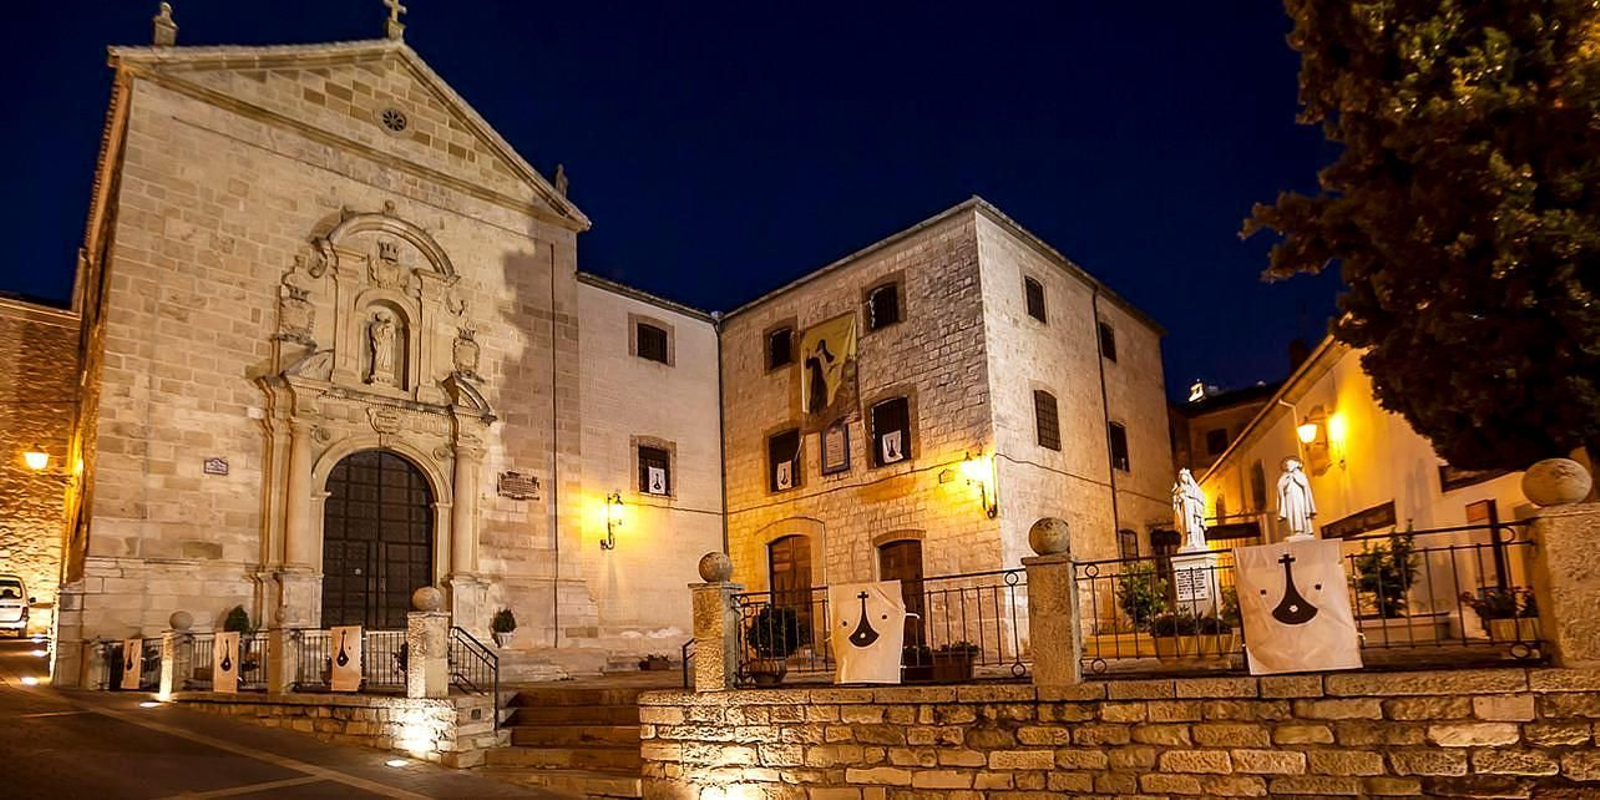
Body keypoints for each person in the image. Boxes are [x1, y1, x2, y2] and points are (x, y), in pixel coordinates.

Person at [1278, 456, 1318, 540]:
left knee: (1299, 512)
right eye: (1287, 465)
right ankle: (1293, 530)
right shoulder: (1284, 476)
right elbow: (1280, 486)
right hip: (1288, 497)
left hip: (1298, 497)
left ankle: (1301, 530)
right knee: (1291, 514)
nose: (1288, 466)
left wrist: (1295, 477)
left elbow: (1304, 484)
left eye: (1289, 464)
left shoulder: (1300, 475)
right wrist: (1286, 481)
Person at [1171, 468, 1208, 552]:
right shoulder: (1179, 489)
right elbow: (1176, 503)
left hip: (1193, 512)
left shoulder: (1194, 489)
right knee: (1185, 525)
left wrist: (1189, 496)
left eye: (1184, 476)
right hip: (1184, 510)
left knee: (1193, 526)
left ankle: (1194, 541)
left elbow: (1200, 498)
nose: (1183, 478)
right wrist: (1177, 499)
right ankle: (1186, 541)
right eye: (1181, 476)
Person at [805, 339, 835, 415]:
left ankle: (822, 410)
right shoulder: (815, 357)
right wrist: (808, 354)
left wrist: (831, 367)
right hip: (816, 379)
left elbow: (827, 365)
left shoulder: (824, 356)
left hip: (822, 378)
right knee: (815, 394)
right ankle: (815, 411)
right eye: (819, 344)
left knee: (823, 394)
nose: (820, 346)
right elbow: (808, 365)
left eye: (821, 345)